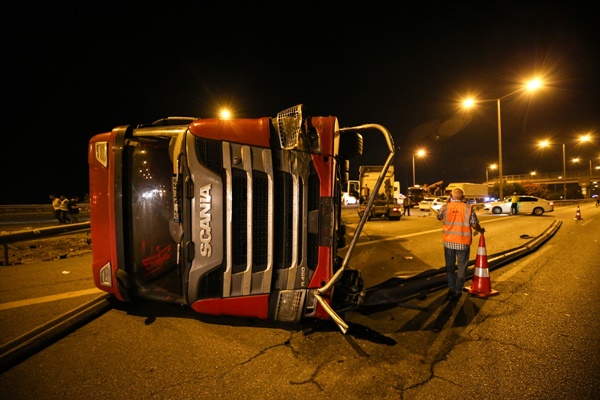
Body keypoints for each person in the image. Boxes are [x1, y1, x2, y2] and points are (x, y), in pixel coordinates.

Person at [437, 188, 485, 300]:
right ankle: (458, 290)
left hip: (448, 241)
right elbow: (474, 225)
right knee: (462, 267)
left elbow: (439, 217)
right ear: (463, 197)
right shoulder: (468, 208)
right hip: (463, 242)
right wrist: (481, 230)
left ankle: (451, 287)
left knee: (450, 266)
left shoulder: (444, 207)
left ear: (451, 196)